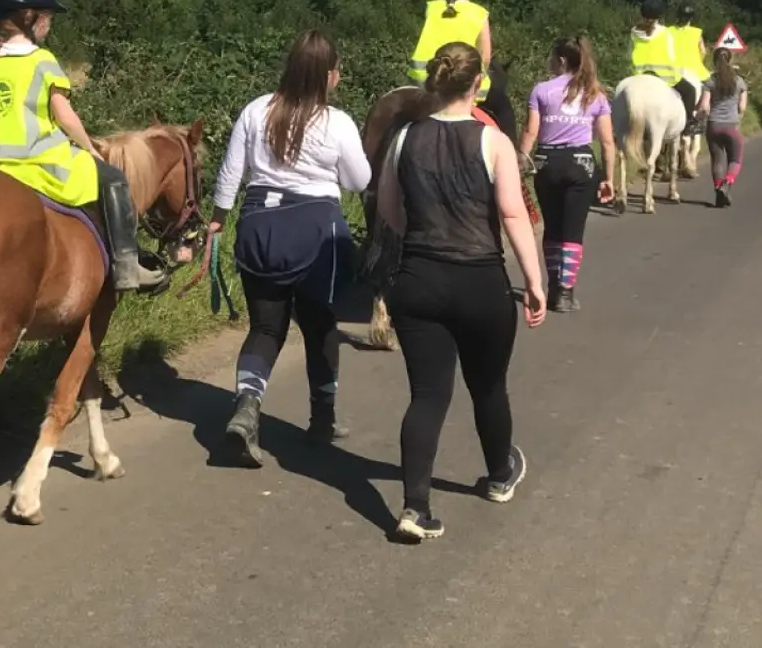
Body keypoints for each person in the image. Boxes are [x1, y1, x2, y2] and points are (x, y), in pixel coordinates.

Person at [361, 42, 548, 544]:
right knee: (488, 386)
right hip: (480, 281)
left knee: (427, 395)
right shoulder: (493, 142)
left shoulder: (403, 140)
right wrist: (534, 282)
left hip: (418, 281)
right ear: (478, 84)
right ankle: (498, 476)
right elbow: (512, 215)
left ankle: (414, 507)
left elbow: (390, 213)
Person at [211, 30, 371, 466]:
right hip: (316, 230)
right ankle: (323, 419)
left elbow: (230, 173)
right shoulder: (336, 122)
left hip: (259, 225)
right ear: (330, 76)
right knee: (320, 327)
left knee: (265, 329)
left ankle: (246, 409)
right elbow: (359, 182)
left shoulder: (256, 109)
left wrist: (218, 221)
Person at [0, 0, 167, 292]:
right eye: (47, 17)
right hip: (40, 165)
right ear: (30, 18)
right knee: (113, 180)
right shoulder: (43, 62)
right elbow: (66, 117)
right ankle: (128, 266)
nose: (49, 24)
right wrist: (88, 149)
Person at [518, 37, 618, 313]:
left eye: (552, 58)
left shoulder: (541, 90)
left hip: (547, 162)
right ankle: (565, 292)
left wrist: (520, 164)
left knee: (552, 228)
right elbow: (607, 142)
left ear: (561, 60)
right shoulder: (595, 94)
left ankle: (552, 287)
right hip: (581, 164)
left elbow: (530, 132)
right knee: (573, 231)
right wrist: (608, 179)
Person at [409, 0, 517, 142]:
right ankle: (516, 159)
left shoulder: (431, 8)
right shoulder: (479, 14)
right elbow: (485, 58)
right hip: (462, 83)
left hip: (425, 83)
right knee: (503, 106)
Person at [631, 0, 698, 128]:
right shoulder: (665, 33)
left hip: (638, 75)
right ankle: (689, 124)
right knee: (690, 90)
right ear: (660, 16)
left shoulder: (633, 32)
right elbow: (672, 56)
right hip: (664, 76)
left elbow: (629, 52)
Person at [699, 48, 749, 208]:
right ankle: (727, 183)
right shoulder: (739, 81)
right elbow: (742, 107)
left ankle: (718, 191)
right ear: (730, 60)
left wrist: (698, 117)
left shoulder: (710, 81)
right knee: (735, 159)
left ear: (714, 61)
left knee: (717, 160)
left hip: (713, 125)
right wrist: (737, 118)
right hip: (731, 126)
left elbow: (704, 106)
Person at [672, 4, 713, 90]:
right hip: (695, 69)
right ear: (691, 18)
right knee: (712, 87)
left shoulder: (668, 31)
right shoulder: (696, 32)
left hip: (673, 70)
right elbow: (703, 52)